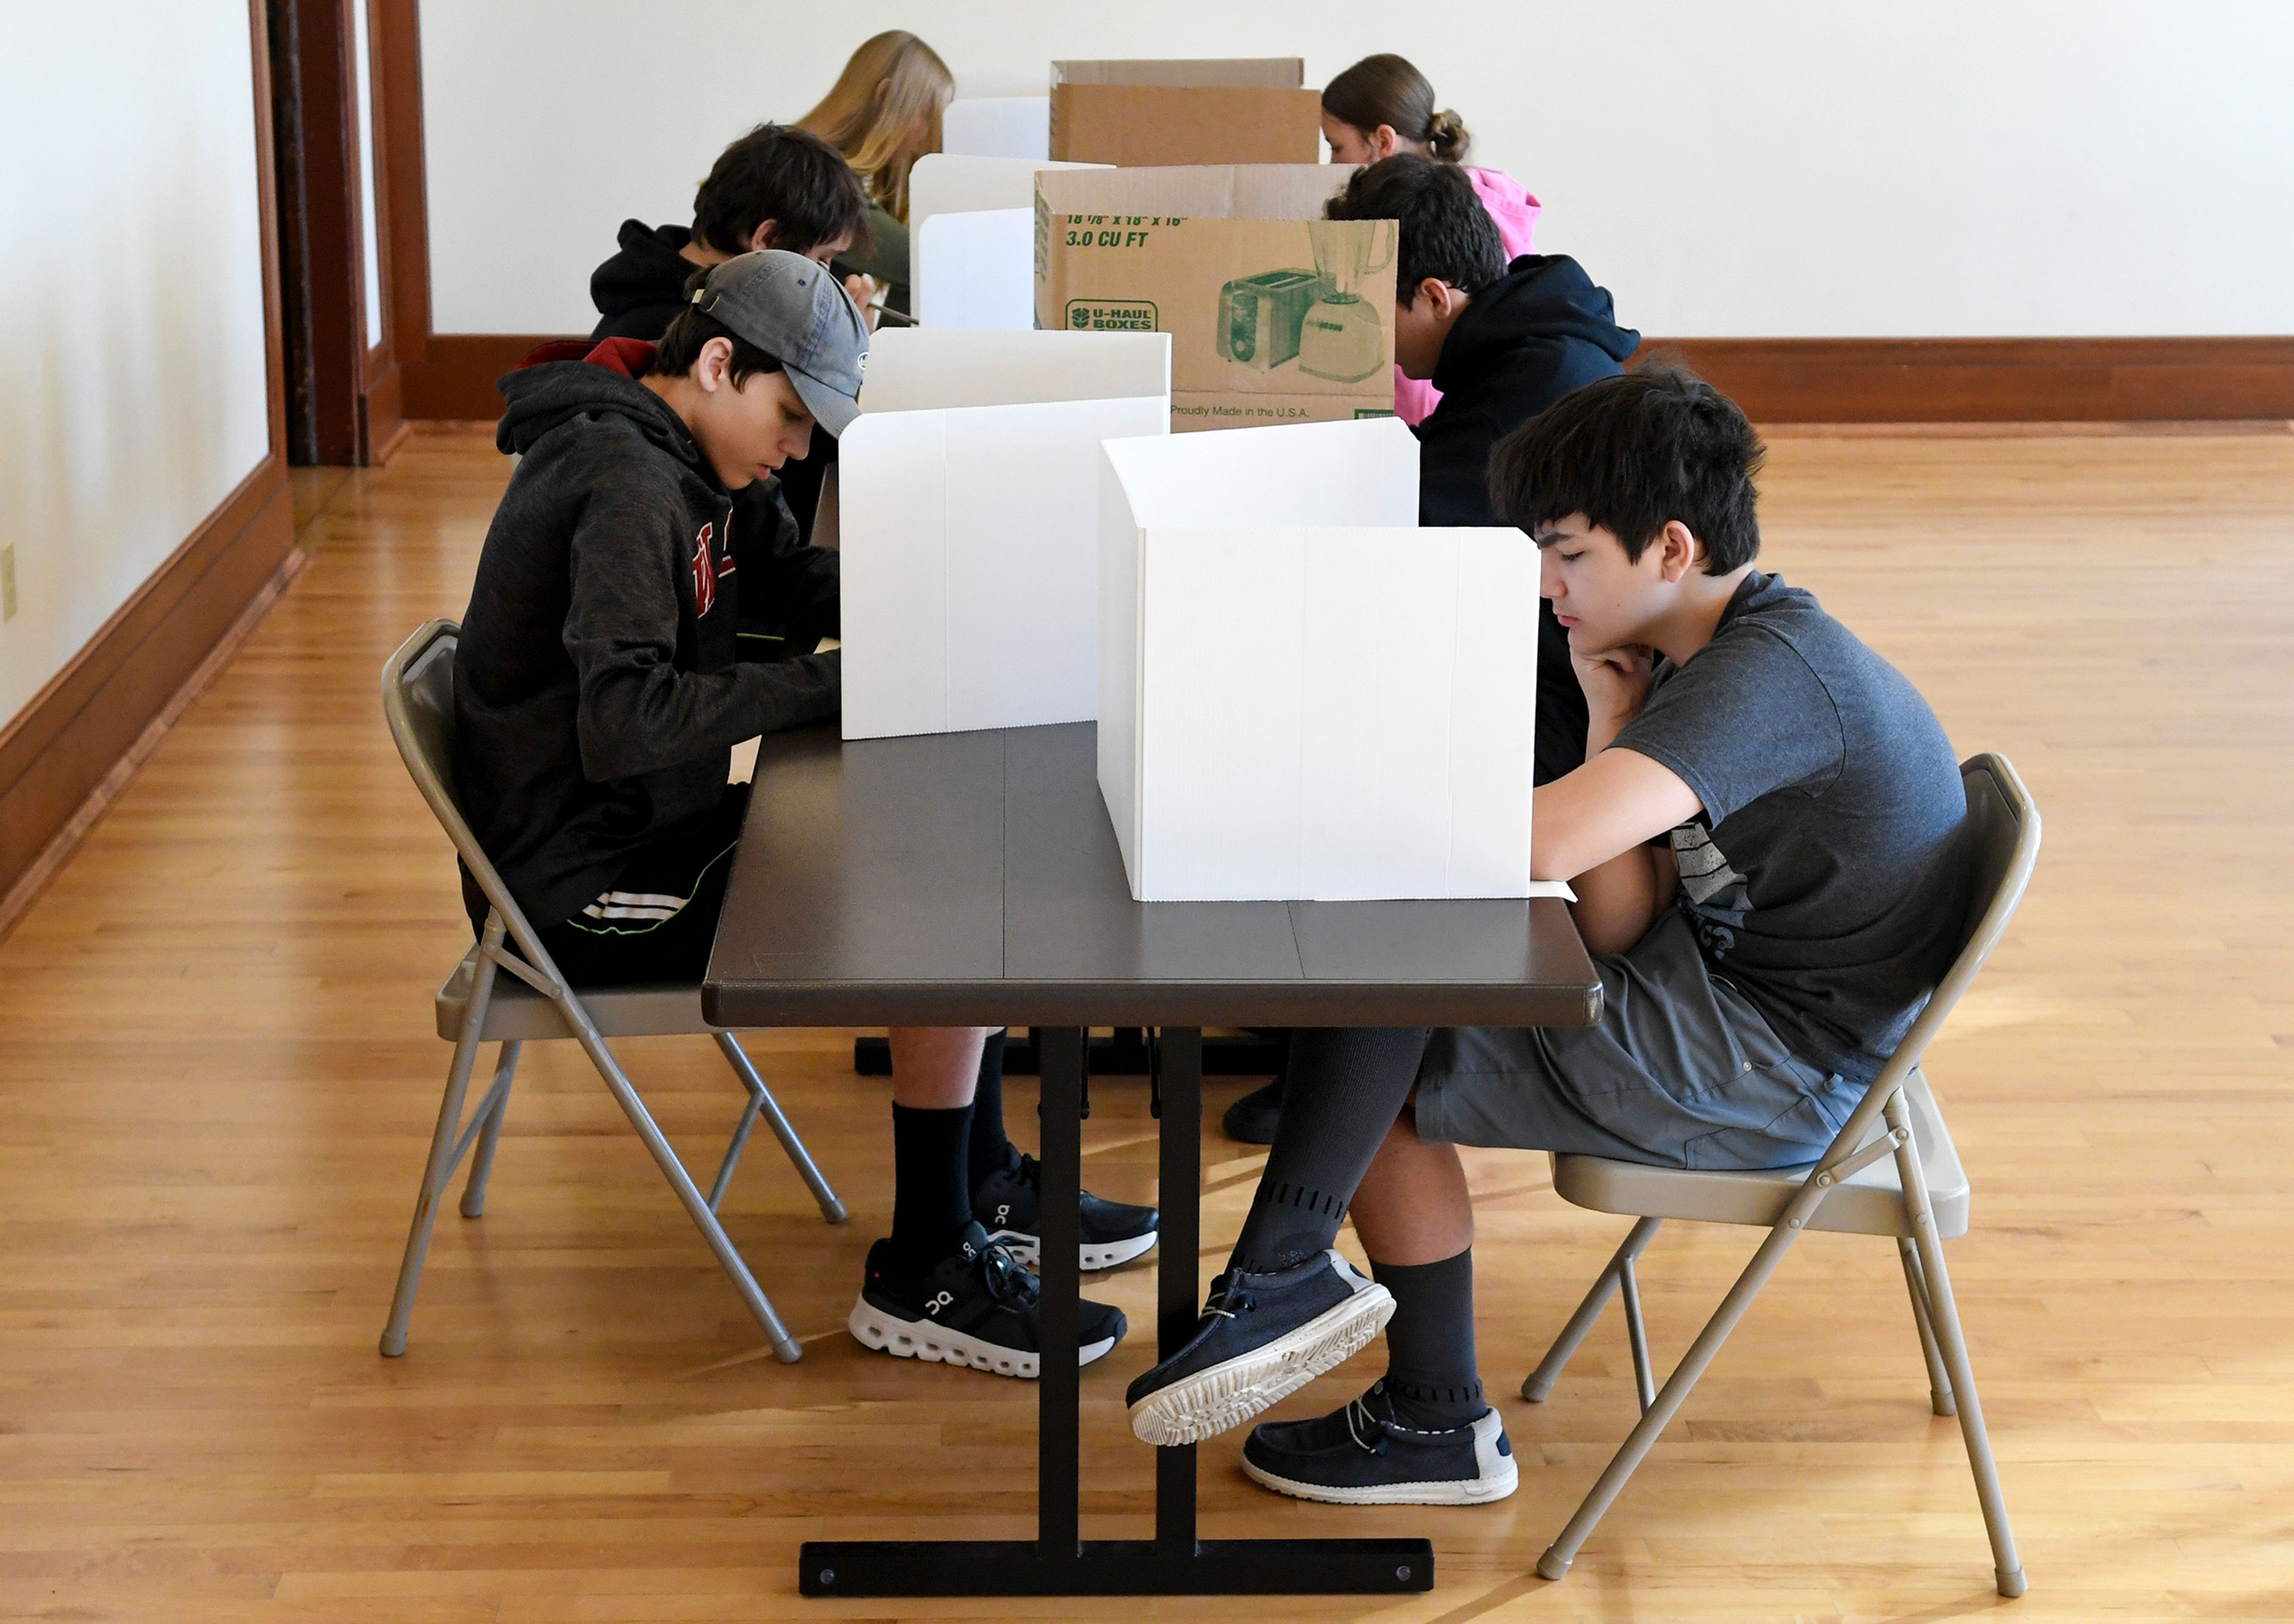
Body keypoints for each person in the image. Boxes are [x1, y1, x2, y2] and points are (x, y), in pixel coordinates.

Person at [1130, 367, 1974, 1506]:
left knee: (1382, 1026)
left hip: (1789, 1068)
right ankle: (1305, 1291)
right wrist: (1608, 705)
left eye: (1568, 553)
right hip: (1742, 1004)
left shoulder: (1769, 678)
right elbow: (1619, 917)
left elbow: (1534, 848)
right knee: (1384, 1001)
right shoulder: (1718, 644)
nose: (1544, 583)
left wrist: (1314, 786)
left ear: (1671, 547)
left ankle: (1371, 1355)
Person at [454, 251, 1154, 1381]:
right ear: (719, 363)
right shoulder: (625, 484)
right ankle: (925, 1267)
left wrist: (945, 605)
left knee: (947, 850)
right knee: (933, 900)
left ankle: (970, 1190)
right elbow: (625, 722)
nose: (793, 447)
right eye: (787, 416)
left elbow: (788, 585)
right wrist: (846, 681)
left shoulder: (697, 464)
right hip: (581, 890)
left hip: (650, 829)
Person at [1221, 156, 1638, 1144]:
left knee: (1318, 728)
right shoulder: (1530, 339)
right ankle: (1317, 1016)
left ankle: (1351, 1049)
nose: (1363, 337)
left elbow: (1398, 530)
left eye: (1373, 310)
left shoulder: (1531, 377)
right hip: (1540, 658)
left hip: (1563, 704)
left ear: (1437, 295)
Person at [588, 122, 875, 548]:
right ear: (768, 240)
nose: (828, 281)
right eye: (822, 261)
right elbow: (801, 458)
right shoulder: (688, 325)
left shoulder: (673, 295)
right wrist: (835, 357)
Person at [1321, 54, 1541, 428]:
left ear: (1382, 141)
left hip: (1423, 422)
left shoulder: (1426, 222)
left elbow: (1421, 380)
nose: (1330, 165)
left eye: (1336, 147)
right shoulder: (1487, 205)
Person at [797, 29, 954, 320]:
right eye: (928, 116)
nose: (934, 133)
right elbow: (925, 264)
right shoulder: (813, 179)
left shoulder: (804, 161)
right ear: (886, 97)